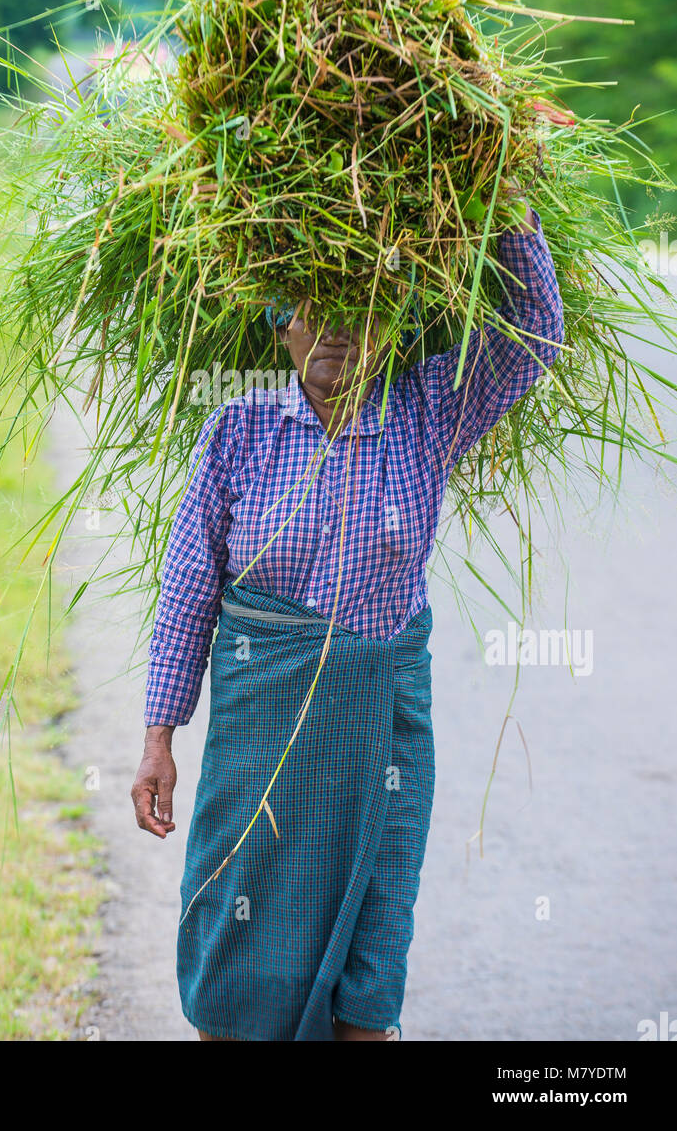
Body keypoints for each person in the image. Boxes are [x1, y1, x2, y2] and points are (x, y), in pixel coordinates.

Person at [131, 200, 564, 1041]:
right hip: (257, 753)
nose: (332, 330)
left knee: (370, 972)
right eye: (309, 308)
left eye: (357, 307)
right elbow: (186, 596)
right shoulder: (236, 435)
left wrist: (505, 192)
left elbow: (533, 330)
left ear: (391, 322)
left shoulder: (429, 411)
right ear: (278, 325)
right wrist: (158, 740)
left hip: (382, 746)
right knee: (236, 958)